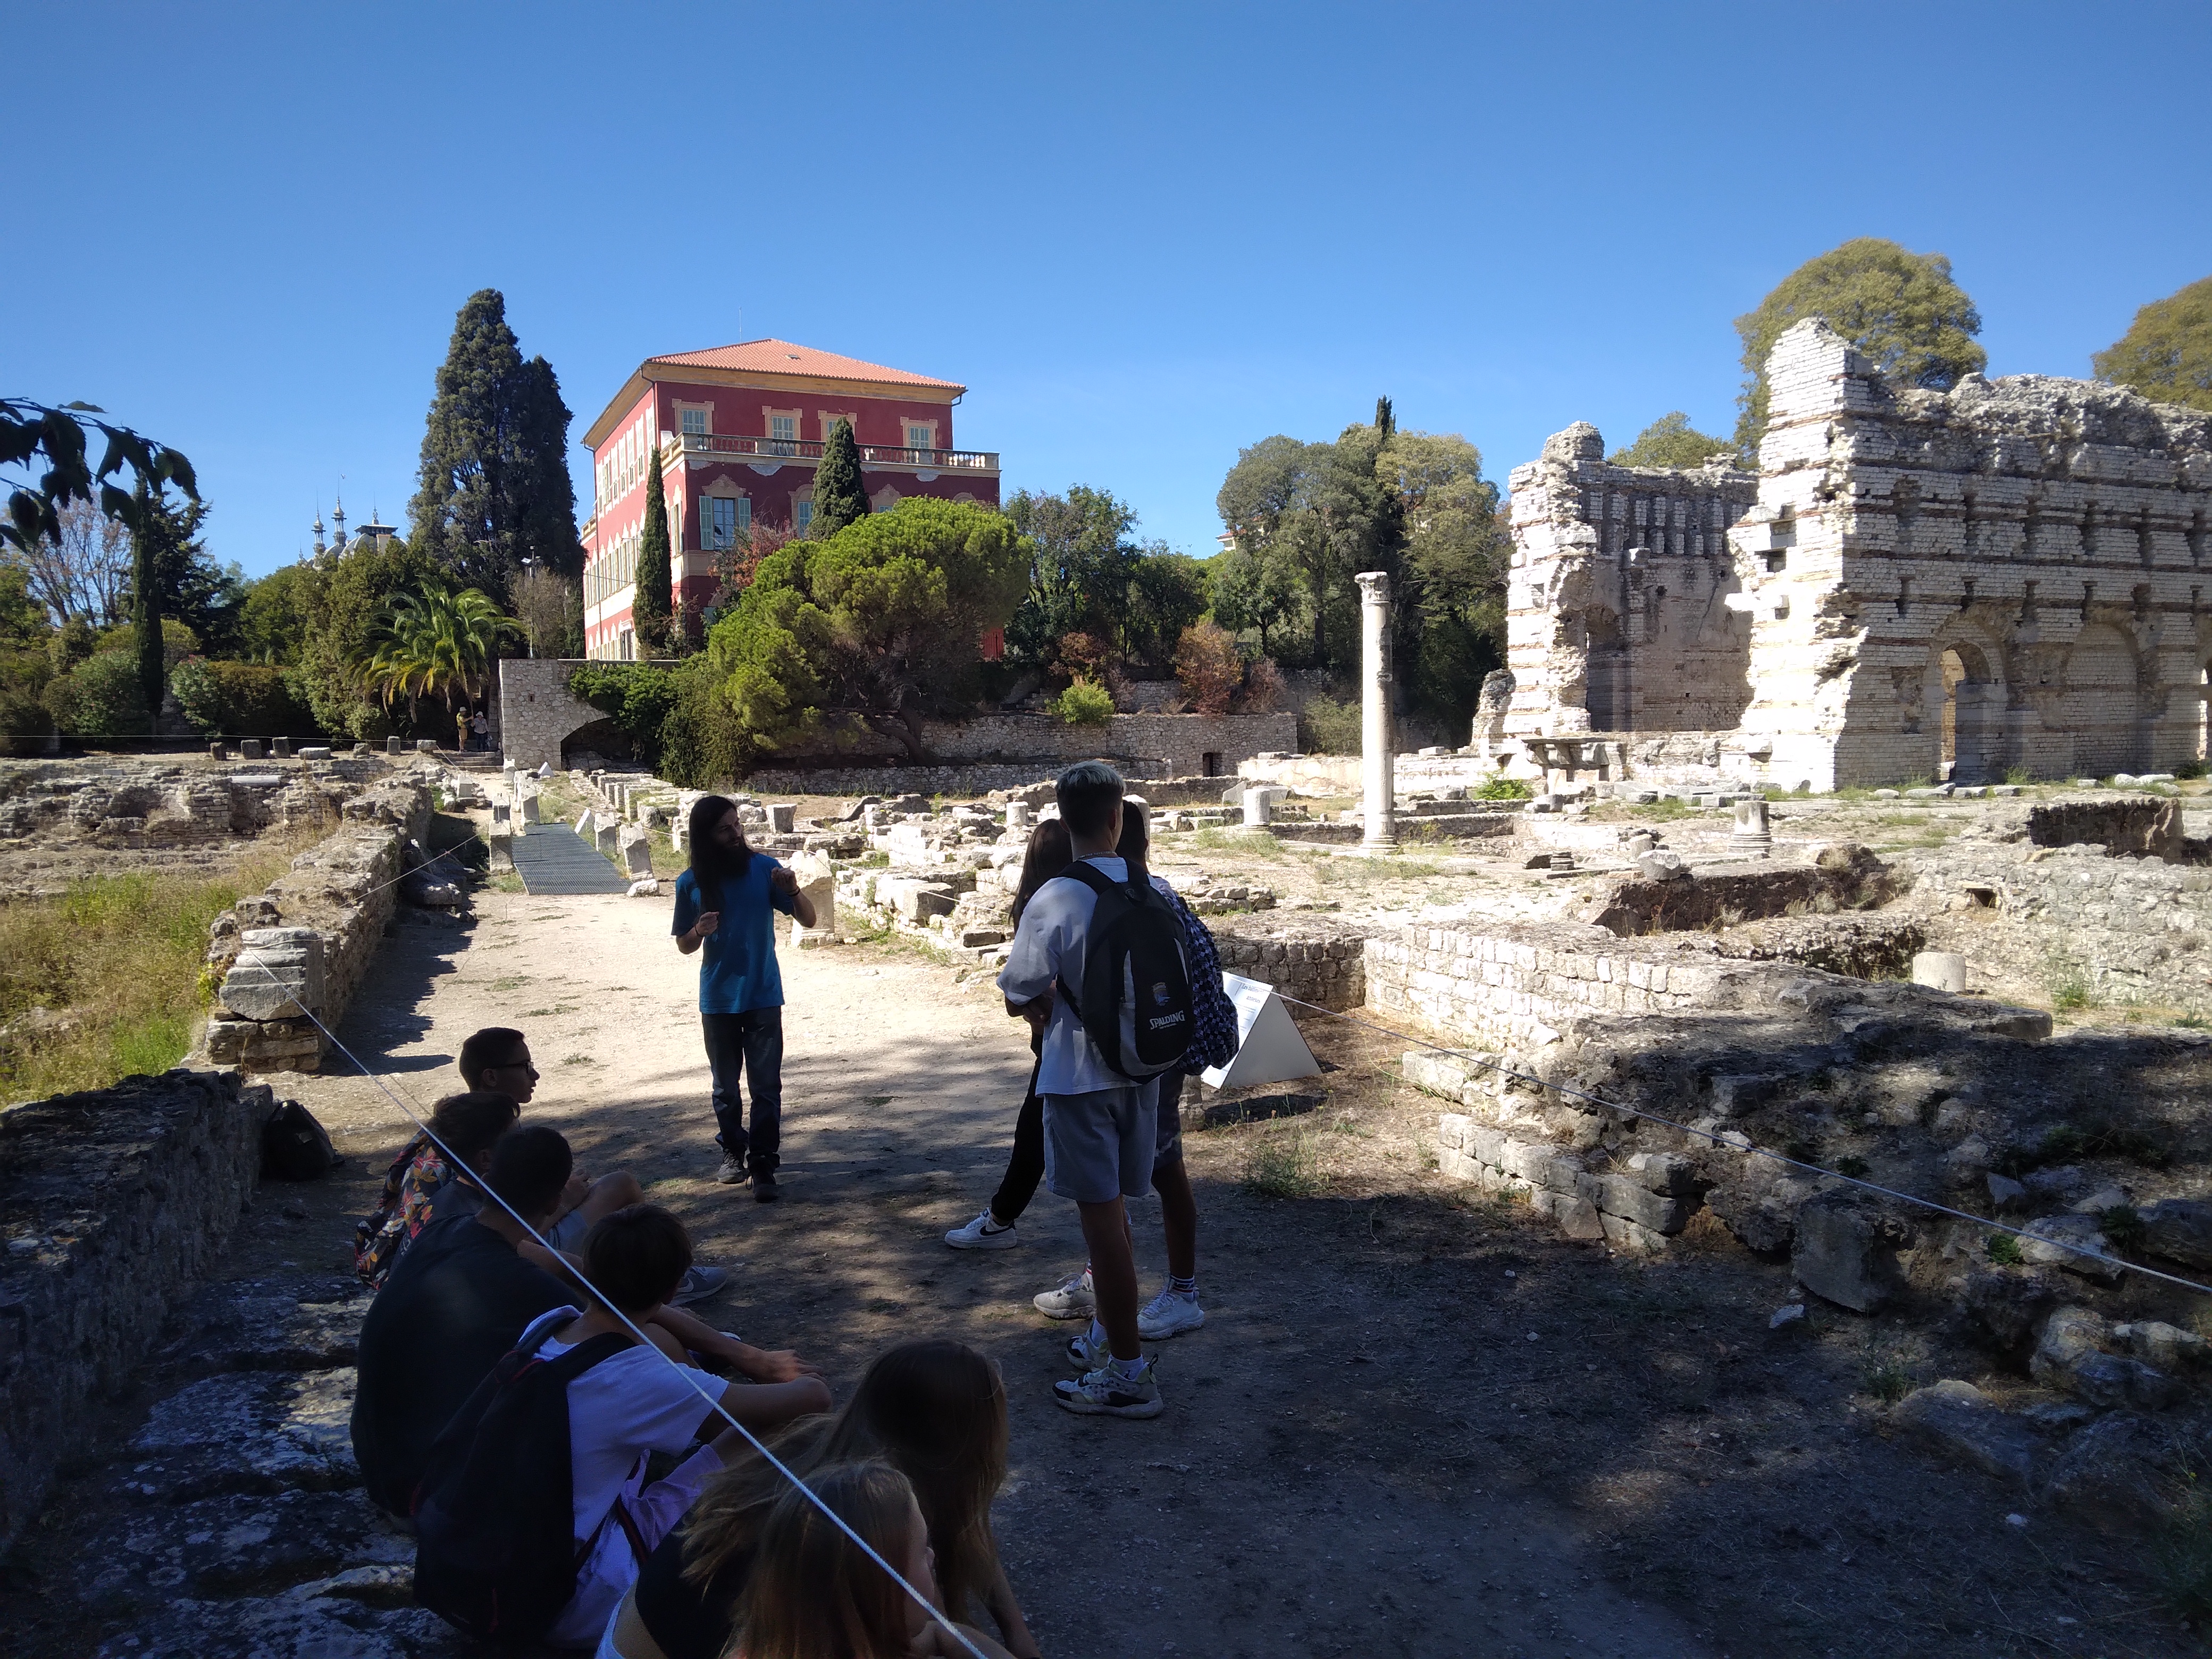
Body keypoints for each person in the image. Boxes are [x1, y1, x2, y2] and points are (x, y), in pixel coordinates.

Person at [352, 1128, 819, 1521]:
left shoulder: (448, 1230)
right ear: (557, 1199)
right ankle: (712, 1420)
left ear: (487, 1177)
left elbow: (564, 1265)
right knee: (657, 1342)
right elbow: (619, 1308)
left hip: (383, 1464)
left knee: (652, 1333)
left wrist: (730, 1349)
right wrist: (740, 1355)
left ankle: (711, 1388)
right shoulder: (535, 1295)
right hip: (437, 1494)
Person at [604, 1339, 1038, 1659]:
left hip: (633, 1627)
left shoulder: (831, 1443)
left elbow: (966, 1522)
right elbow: (922, 1630)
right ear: (956, 1450)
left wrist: (1019, 1639)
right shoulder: (865, 1518)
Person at [532, 1204, 833, 1648]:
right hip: (580, 1591)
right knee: (792, 1429)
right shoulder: (638, 1378)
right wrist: (761, 1367)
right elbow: (813, 1399)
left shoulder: (547, 1327)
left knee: (661, 1346)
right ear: (674, 1290)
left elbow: (645, 1319)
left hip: (519, 1558)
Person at [994, 761, 1175, 1420]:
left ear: (1064, 819)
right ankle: (1106, 1336)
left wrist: (1040, 1000)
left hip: (1077, 1078)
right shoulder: (1152, 888)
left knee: (1101, 1230)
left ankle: (1128, 1374)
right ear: (1116, 818)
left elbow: (1017, 989)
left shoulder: (1056, 897)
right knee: (1116, 1218)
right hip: (1143, 1072)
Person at [1054, 796, 1237, 1361]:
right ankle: (1122, 1293)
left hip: (1139, 1062)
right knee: (1139, 1178)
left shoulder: (1126, 896)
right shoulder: (1158, 894)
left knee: (1141, 1177)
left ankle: (1157, 1303)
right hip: (1157, 1053)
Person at [617, 1461, 1015, 1659]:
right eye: (922, 1550)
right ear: (876, 1591)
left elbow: (942, 1634)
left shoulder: (829, 1635)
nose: (933, 1557)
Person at [942, 819, 1074, 1255]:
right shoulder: (1078, 898)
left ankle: (1001, 1221)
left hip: (1062, 1040)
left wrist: (1029, 996)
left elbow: (1017, 994)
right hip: (1066, 1037)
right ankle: (1001, 1219)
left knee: (1036, 1133)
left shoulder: (1039, 904)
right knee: (1039, 1131)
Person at [674, 795, 815, 1200]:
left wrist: (794, 890)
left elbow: (809, 920)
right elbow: (684, 946)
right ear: (706, 836)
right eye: (725, 829)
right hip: (718, 999)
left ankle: (764, 1162)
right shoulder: (690, 883)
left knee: (766, 1086)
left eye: (737, 824)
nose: (736, 834)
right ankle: (733, 1152)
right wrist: (698, 932)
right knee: (725, 1087)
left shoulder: (766, 869)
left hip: (764, 995)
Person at [353, 1090, 517, 1286]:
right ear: (485, 1159)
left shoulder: (448, 1196)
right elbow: (538, 1259)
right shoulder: (474, 1219)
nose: (527, 1141)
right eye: (517, 1137)